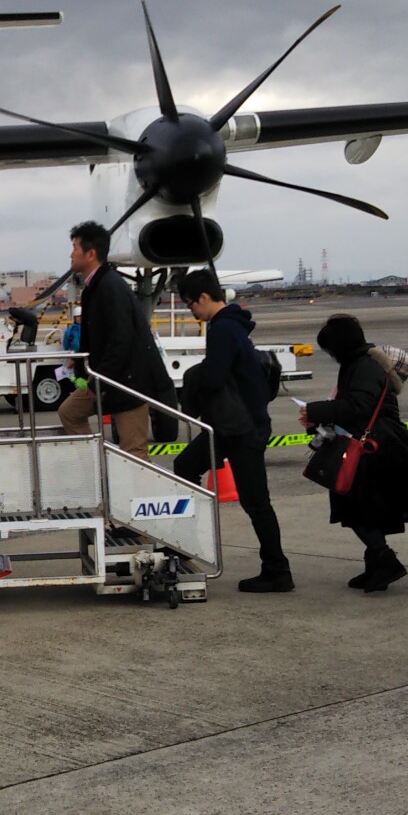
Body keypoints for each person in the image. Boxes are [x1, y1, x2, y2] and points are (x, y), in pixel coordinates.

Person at [299, 314, 408, 592]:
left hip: (374, 449)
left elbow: (358, 406)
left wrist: (316, 411)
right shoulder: (360, 363)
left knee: (358, 508)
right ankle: (376, 564)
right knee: (360, 508)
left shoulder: (363, 366)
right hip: (373, 445)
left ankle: (385, 562)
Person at [171, 270, 290, 593]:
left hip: (240, 428)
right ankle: (187, 543)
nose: (190, 311)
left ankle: (277, 569)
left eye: (190, 304)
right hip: (235, 424)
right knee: (185, 466)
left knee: (255, 500)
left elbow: (214, 377)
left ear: (205, 298)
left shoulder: (222, 329)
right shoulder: (234, 325)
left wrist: (192, 380)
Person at [57, 221, 174, 454]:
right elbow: (94, 339)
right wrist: (83, 371)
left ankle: (132, 485)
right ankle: (98, 465)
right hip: (106, 379)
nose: (71, 254)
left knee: (134, 451)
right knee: (69, 412)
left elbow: (122, 339)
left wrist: (97, 380)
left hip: (129, 382)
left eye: (75, 248)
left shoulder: (110, 286)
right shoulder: (95, 286)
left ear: (90, 254)